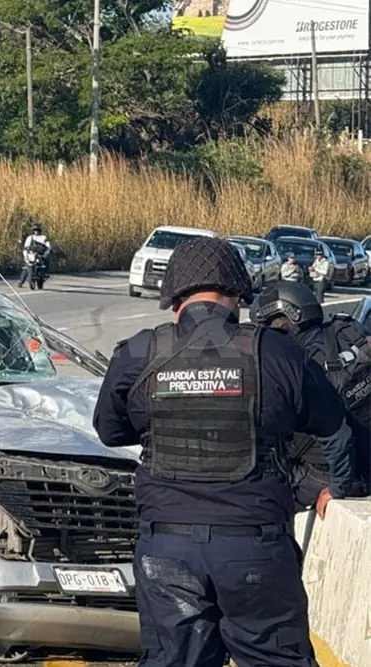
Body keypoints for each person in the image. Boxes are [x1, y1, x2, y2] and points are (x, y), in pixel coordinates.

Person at [92, 236, 358, 667]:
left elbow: (110, 430)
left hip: (167, 552)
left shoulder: (138, 353)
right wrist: (336, 486)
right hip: (255, 550)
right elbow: (335, 428)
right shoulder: (277, 352)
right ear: (237, 296)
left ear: (174, 296)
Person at [250, 281, 371, 505]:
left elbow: (337, 436)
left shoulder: (297, 361)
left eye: (271, 325)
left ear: (287, 318)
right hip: (364, 463)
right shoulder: (347, 333)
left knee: (259, 498)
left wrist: (337, 488)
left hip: (331, 474)